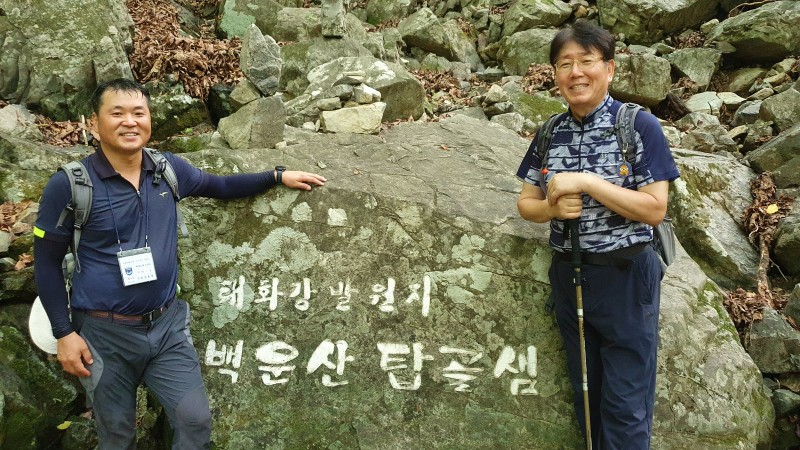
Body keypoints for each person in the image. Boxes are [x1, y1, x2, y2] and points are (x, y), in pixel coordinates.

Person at [33, 78, 326, 449]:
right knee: (117, 435)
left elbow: (219, 186)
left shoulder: (165, 169)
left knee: (194, 420)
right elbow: (46, 263)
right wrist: (64, 333)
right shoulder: (70, 185)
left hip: (166, 326)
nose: (130, 122)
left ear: (149, 119)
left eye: (139, 113)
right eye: (117, 113)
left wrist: (276, 176)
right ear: (93, 122)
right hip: (103, 335)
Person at [516, 21, 680, 449]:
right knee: (586, 396)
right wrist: (551, 209)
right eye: (564, 64)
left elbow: (655, 208)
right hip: (570, 276)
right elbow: (526, 203)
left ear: (609, 68)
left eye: (586, 61)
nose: (575, 72)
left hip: (626, 276)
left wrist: (589, 183)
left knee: (626, 404)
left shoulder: (638, 125)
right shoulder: (550, 132)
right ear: (555, 74)